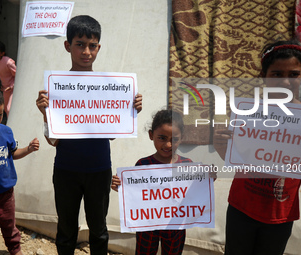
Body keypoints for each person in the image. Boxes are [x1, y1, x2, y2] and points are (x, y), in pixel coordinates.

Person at [36, 15, 142, 255]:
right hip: (66, 170)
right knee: (66, 229)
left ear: (98, 48)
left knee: (99, 229)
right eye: (79, 44)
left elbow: (112, 134)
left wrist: (128, 111)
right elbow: (53, 140)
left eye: (92, 45)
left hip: (99, 170)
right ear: (67, 46)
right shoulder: (56, 87)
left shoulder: (111, 87)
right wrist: (46, 114)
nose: (86, 51)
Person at [213, 40, 301, 255]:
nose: (285, 81)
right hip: (242, 207)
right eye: (276, 74)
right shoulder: (246, 112)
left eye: (294, 74)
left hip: (280, 212)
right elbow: (234, 157)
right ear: (263, 76)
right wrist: (221, 146)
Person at [112, 109, 192, 255]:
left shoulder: (187, 166)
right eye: (162, 138)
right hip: (147, 226)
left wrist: (205, 180)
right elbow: (135, 194)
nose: (168, 145)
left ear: (182, 138)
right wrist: (122, 187)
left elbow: (195, 193)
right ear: (151, 135)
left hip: (176, 225)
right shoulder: (143, 165)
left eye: (174, 139)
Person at [0, 86, 40, 255]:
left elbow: (13, 153)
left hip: (6, 194)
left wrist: (28, 149)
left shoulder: (6, 132)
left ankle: (15, 250)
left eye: (0, 115)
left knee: (9, 226)